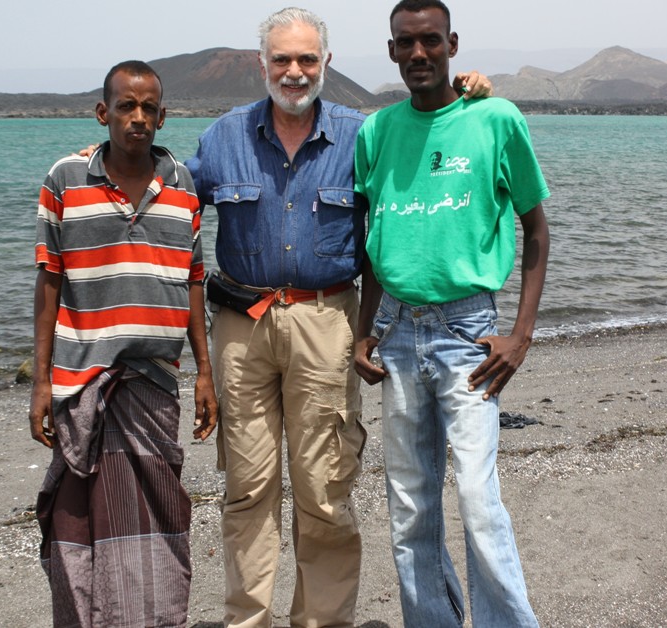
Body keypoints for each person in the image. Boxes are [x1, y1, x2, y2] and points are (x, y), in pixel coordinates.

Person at [186, 8, 491, 627]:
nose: (293, 72)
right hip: (241, 328)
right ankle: (246, 620)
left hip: (328, 323)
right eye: (281, 60)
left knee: (325, 489)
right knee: (247, 489)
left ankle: (321, 623)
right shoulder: (223, 137)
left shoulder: (364, 135)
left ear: (326, 62)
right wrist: (110, 157)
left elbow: (433, 141)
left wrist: (473, 96)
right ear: (261, 65)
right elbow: (169, 201)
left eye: (306, 59)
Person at [352, 1, 551, 626]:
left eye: (430, 41)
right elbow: (368, 243)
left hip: (469, 334)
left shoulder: (495, 119)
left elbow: (536, 227)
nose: (418, 54)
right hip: (398, 334)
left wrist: (520, 335)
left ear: (452, 45)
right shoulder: (376, 132)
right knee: (410, 507)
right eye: (405, 43)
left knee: (477, 499)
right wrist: (364, 330)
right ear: (391, 51)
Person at [29, 60, 218, 627]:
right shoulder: (65, 179)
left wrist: (203, 371)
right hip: (81, 384)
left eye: (148, 108)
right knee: (77, 521)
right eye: (126, 106)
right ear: (102, 111)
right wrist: (41, 381)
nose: (137, 118)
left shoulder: (183, 185)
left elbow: (193, 281)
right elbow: (49, 280)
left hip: (154, 384)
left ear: (163, 116)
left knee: (159, 515)